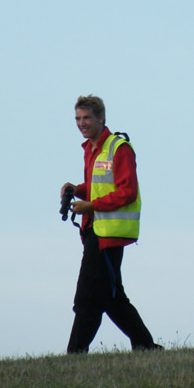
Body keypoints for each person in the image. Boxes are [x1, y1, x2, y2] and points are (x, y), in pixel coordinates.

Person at [60, 95, 161, 354]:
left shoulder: (119, 148)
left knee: (87, 299)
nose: (81, 124)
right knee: (110, 297)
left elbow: (127, 191)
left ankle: (75, 353)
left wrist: (90, 205)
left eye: (87, 118)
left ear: (101, 118)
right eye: (78, 119)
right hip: (95, 232)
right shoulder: (91, 149)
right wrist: (77, 189)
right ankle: (145, 346)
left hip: (108, 235)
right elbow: (97, 188)